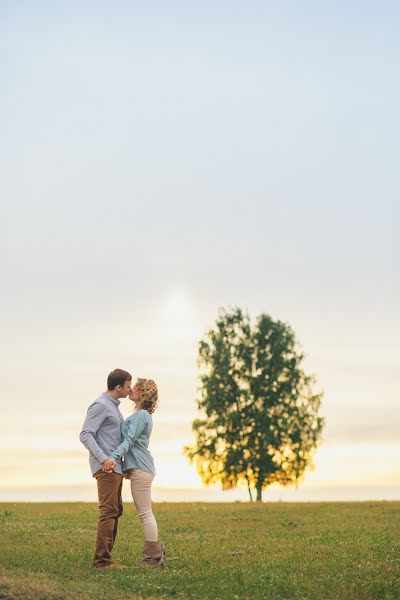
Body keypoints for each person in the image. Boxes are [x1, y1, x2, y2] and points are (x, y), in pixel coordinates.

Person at [105, 377, 166, 567]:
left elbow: (129, 441)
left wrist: (113, 458)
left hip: (142, 468)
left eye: (136, 387)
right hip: (139, 468)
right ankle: (156, 554)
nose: (131, 389)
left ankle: (153, 558)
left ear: (143, 393)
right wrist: (128, 467)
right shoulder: (141, 415)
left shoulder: (141, 416)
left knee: (145, 513)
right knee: (145, 512)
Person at [79, 368, 132, 569]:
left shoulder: (114, 407)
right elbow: (85, 434)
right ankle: (101, 561)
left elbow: (114, 439)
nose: (131, 389)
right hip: (106, 468)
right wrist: (103, 459)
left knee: (116, 510)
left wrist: (123, 465)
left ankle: (107, 557)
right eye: (128, 385)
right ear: (118, 387)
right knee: (109, 510)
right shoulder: (100, 405)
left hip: (116, 467)